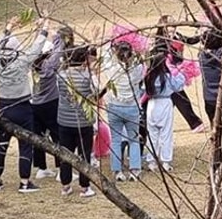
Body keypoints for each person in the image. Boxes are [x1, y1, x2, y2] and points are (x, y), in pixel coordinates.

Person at [0, 17, 49, 193]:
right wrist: (44, 29)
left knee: (0, 143)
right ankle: (24, 182)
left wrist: (8, 28)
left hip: (3, 106)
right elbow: (36, 48)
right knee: (25, 144)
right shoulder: (22, 61)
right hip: (22, 106)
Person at [30, 25, 73, 180]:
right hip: (50, 103)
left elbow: (37, 48)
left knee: (38, 136)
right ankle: (62, 168)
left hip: (35, 104)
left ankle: (41, 167)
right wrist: (57, 37)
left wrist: (42, 30)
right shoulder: (48, 67)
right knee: (58, 136)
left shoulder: (34, 66)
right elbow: (59, 51)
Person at [57, 45, 101, 197]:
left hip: (64, 120)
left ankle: (65, 185)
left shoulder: (61, 75)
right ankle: (84, 186)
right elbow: (96, 93)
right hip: (83, 121)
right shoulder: (87, 77)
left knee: (65, 154)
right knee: (84, 154)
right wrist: (93, 73)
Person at [154, 16, 205, 133]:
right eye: (170, 24)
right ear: (164, 27)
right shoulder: (160, 41)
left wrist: (201, 34)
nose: (173, 26)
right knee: (181, 99)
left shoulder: (178, 36)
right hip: (168, 75)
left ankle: (158, 124)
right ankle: (195, 123)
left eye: (174, 24)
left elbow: (190, 40)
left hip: (177, 74)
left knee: (171, 100)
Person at [102, 40, 144, 181]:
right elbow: (142, 64)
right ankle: (135, 169)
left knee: (116, 140)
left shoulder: (112, 69)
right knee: (133, 140)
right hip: (132, 108)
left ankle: (117, 171)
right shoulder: (136, 70)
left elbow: (104, 56)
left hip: (114, 107)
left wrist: (109, 44)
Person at [143, 50, 187, 172]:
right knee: (166, 134)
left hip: (152, 105)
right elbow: (178, 85)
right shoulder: (167, 77)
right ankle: (166, 161)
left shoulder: (148, 76)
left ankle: (151, 161)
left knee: (152, 134)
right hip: (165, 103)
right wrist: (181, 72)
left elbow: (143, 90)